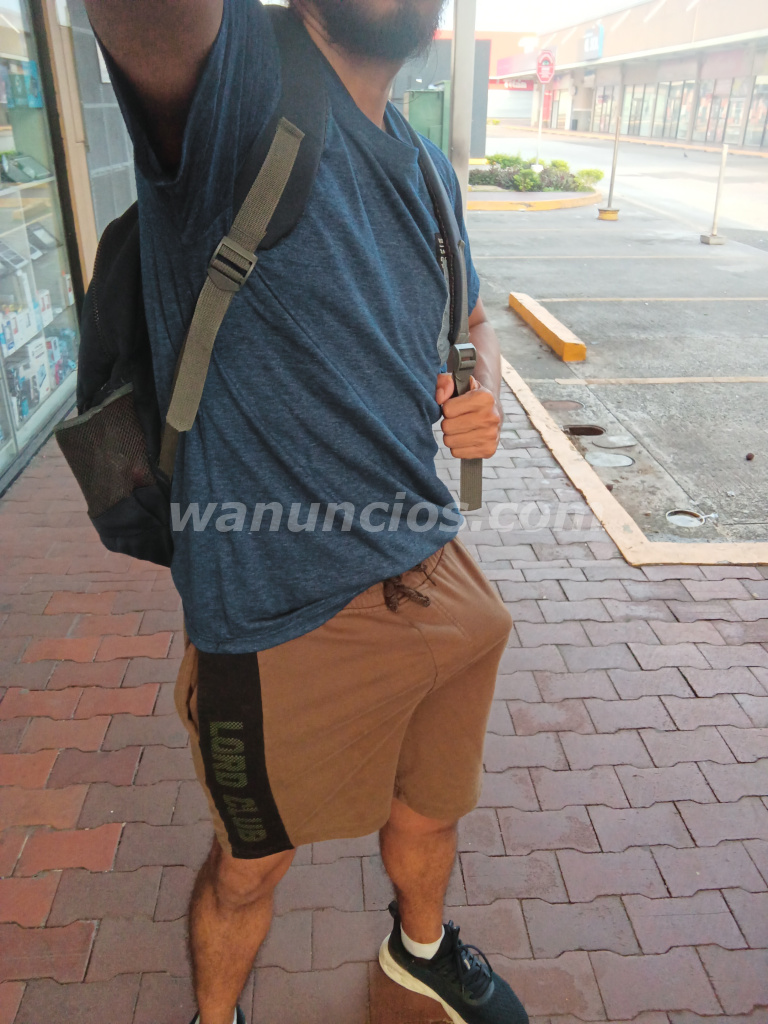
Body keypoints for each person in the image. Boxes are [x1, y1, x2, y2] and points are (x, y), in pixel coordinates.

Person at [83, 1, 528, 1022]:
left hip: (435, 571)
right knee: (252, 866)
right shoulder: (237, 93)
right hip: (278, 613)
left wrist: (481, 386)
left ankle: (420, 953)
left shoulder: (426, 166)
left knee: (432, 808)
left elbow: (470, 315)